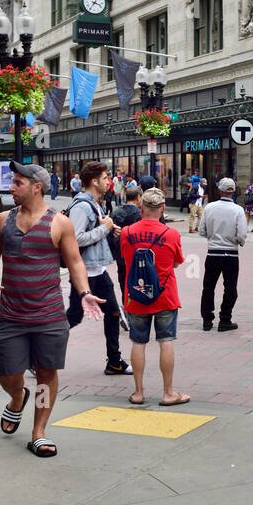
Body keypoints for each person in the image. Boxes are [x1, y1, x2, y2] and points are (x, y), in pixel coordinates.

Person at [0, 162, 105, 458]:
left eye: (18, 183)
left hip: (49, 314)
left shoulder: (60, 223)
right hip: (11, 314)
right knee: (8, 373)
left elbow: (74, 262)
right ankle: (16, 397)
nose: (12, 187)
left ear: (37, 187)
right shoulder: (3, 220)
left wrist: (84, 292)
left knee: (47, 374)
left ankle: (39, 433)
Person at [122, 188, 189, 406]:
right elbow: (177, 262)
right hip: (164, 295)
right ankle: (168, 392)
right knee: (166, 341)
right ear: (162, 209)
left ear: (141, 208)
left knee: (138, 341)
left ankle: (139, 392)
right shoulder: (171, 234)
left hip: (136, 295)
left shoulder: (127, 232)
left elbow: (126, 260)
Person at [67, 161, 130, 376]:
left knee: (112, 313)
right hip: (83, 273)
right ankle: (37, 357)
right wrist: (104, 229)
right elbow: (76, 238)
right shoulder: (82, 206)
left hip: (98, 271)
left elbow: (95, 231)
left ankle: (114, 362)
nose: (108, 182)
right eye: (105, 178)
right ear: (94, 182)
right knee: (73, 317)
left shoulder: (95, 203)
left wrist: (109, 230)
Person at [199, 177, 247, 332]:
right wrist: (237, 241)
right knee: (230, 287)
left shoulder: (209, 208)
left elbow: (202, 230)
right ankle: (225, 318)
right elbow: (241, 234)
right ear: (233, 191)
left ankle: (207, 319)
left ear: (219, 190)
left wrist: (213, 237)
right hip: (231, 254)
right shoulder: (238, 210)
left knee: (208, 286)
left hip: (213, 252)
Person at [109, 184, 143, 315]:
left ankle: (126, 307)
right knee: (137, 281)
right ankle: (136, 309)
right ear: (138, 197)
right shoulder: (138, 214)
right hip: (135, 254)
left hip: (120, 253)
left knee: (123, 280)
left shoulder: (116, 211)